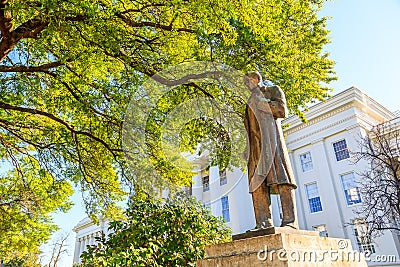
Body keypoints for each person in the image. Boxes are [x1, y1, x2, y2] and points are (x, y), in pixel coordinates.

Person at [243, 72, 298, 229]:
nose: (247, 84)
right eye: (245, 83)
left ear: (257, 79)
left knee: (282, 178)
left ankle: (290, 221)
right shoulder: (248, 102)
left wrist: (263, 104)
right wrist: (247, 148)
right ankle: (263, 222)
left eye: (249, 81)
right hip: (255, 147)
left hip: (272, 141)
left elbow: (282, 110)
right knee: (257, 183)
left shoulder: (273, 90)